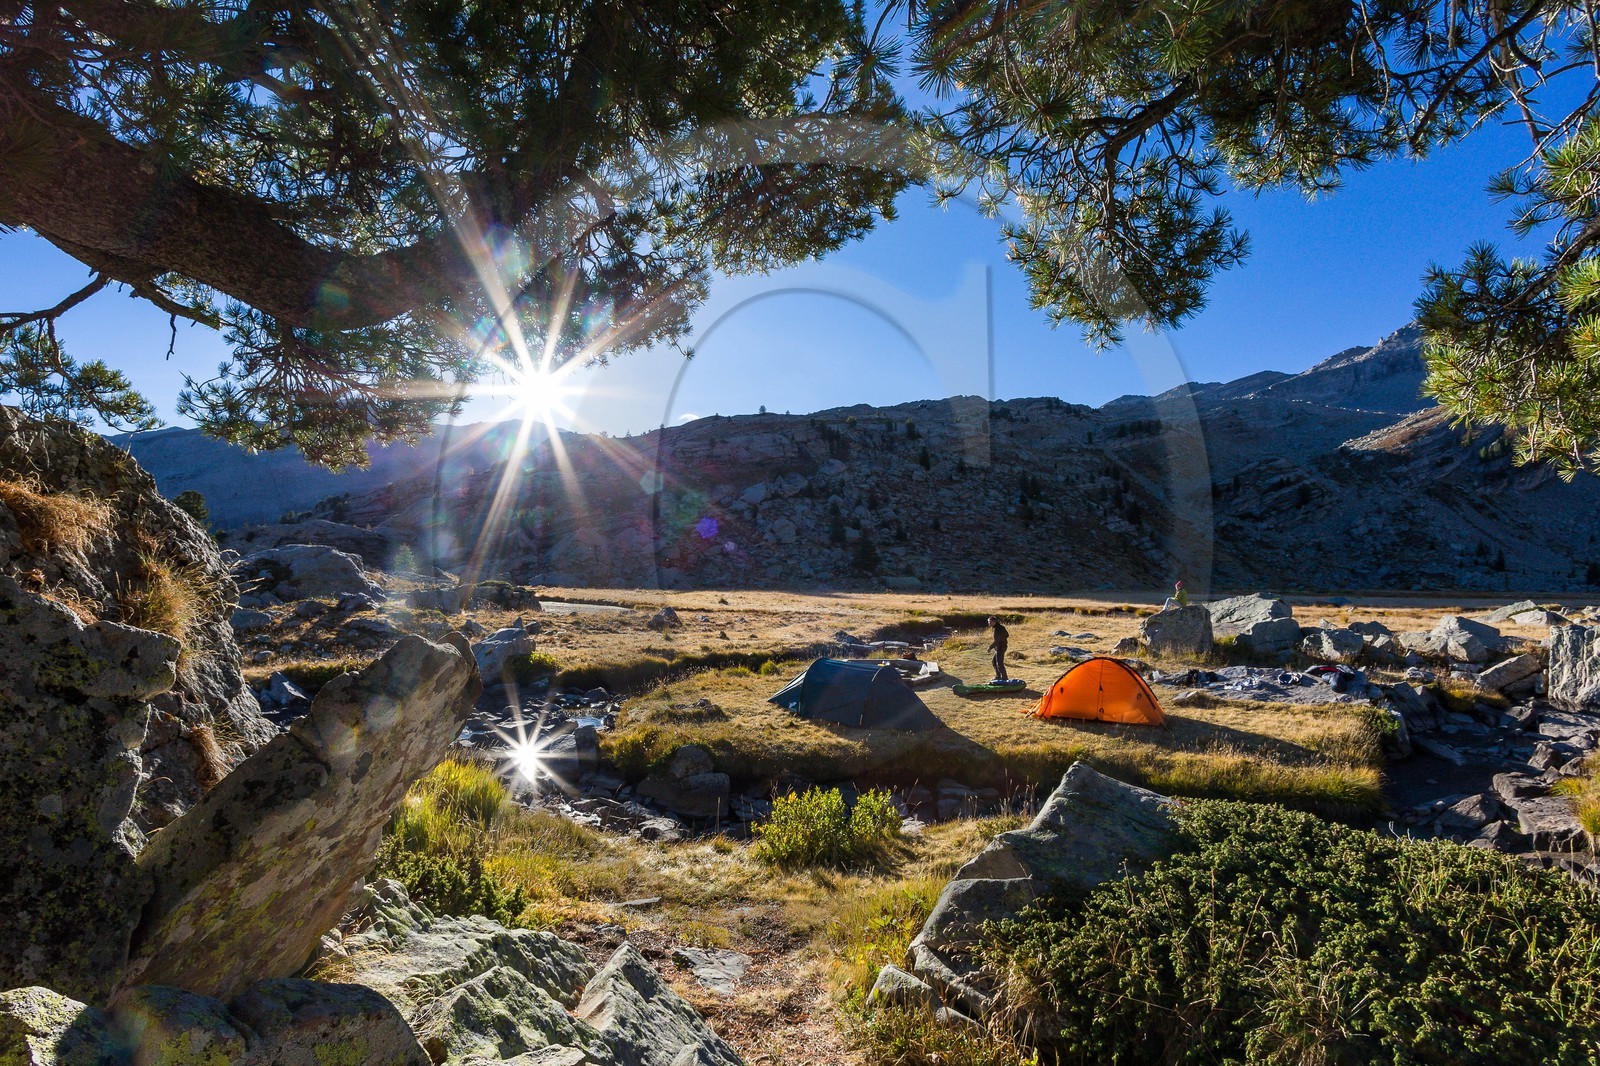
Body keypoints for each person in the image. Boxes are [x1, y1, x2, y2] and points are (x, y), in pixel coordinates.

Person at [986, 615, 1009, 682]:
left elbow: (996, 641)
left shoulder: (997, 629)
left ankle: (1004, 678)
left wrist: (990, 647)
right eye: (988, 622)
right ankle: (998, 676)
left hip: (1000, 647)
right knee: (994, 662)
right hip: (1001, 646)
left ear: (994, 621)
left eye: (990, 622)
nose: (989, 624)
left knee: (999, 663)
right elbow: (1007, 635)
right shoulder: (1001, 627)